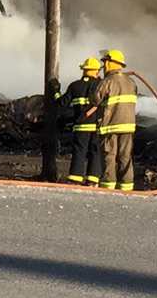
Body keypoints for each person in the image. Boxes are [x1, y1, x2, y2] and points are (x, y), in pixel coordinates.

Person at [94, 48, 140, 192]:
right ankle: (126, 187)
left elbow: (95, 100)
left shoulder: (107, 82)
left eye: (105, 62)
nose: (104, 66)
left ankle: (108, 187)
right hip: (128, 126)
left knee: (110, 156)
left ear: (110, 63)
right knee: (126, 157)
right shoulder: (131, 82)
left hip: (111, 126)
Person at [60, 55, 102, 184]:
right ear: (96, 71)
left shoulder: (75, 86)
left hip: (80, 126)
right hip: (96, 126)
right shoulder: (101, 85)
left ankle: (75, 177)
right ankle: (93, 179)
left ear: (84, 70)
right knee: (95, 152)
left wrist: (55, 91)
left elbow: (62, 103)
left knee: (79, 151)